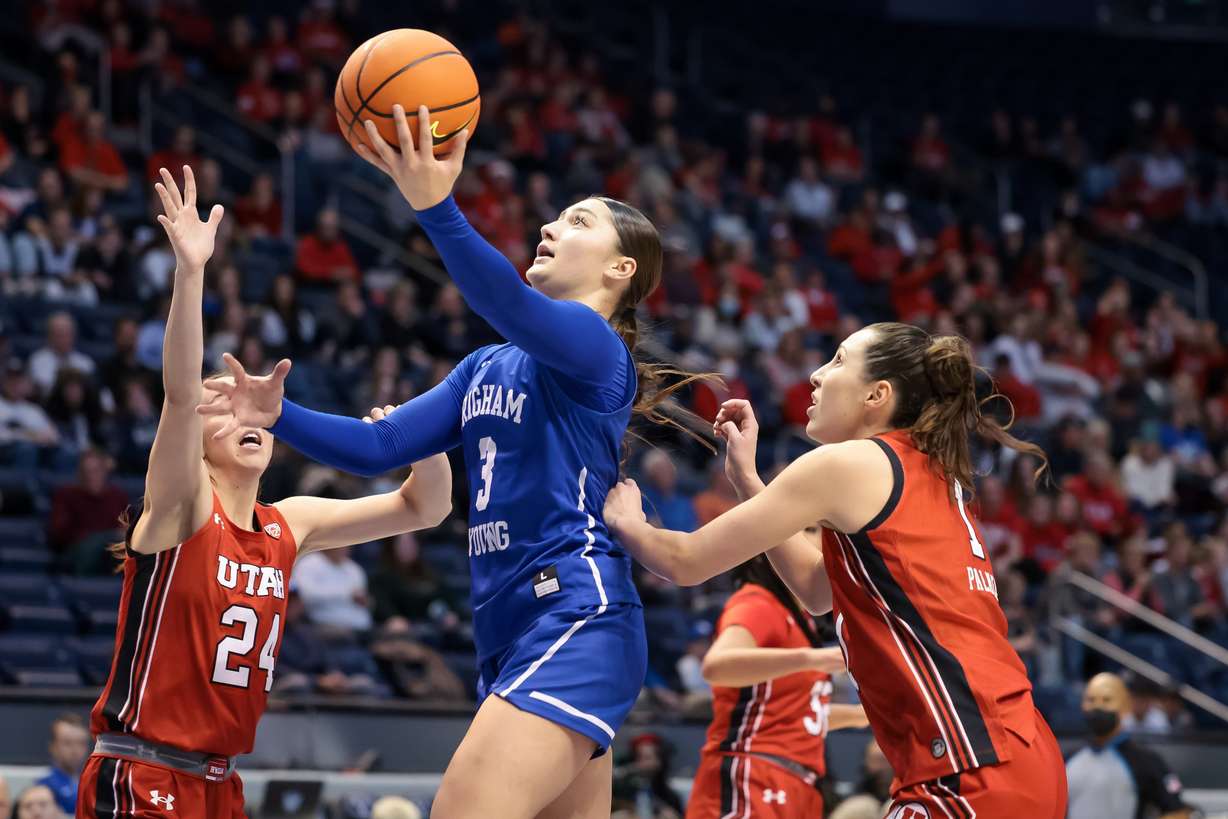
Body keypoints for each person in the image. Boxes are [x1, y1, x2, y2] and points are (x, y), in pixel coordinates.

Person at [203, 107, 708, 818]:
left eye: (578, 222)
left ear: (620, 269)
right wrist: (276, 414)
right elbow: (381, 446)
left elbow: (499, 297)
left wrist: (435, 205)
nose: (551, 228)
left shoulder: (599, 351)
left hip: (572, 611)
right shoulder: (485, 366)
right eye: (556, 219)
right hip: (506, 628)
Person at [76, 167, 452, 818]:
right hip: (143, 770)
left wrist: (419, 437)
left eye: (256, 417)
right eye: (226, 412)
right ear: (193, 442)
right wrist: (191, 272)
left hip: (222, 784)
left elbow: (426, 507)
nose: (246, 421)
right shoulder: (185, 506)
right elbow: (179, 393)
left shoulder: (290, 523)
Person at [604, 323, 1069, 818]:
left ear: (877, 394)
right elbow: (817, 590)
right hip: (1017, 754)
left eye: (839, 361)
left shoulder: (849, 464)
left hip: (968, 766)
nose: (817, 374)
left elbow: (686, 561)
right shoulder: (931, 474)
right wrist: (746, 480)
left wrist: (627, 523)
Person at [686, 554, 867, 818]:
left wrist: (862, 716)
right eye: (810, 531)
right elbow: (717, 664)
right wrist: (816, 658)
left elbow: (797, 715)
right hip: (754, 771)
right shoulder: (758, 602)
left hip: (797, 782)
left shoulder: (799, 619)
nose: (819, 546)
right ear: (765, 554)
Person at [1066, 673, 1197, 819]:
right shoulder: (1067, 759)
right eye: (1091, 700)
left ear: (1125, 705)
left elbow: (1176, 810)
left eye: (1107, 700)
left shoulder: (1145, 761)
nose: (1098, 707)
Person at [37, 713, 87, 814]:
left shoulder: (98, 783)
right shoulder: (44, 787)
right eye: (67, 743)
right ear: (53, 747)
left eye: (81, 743)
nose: (75, 750)